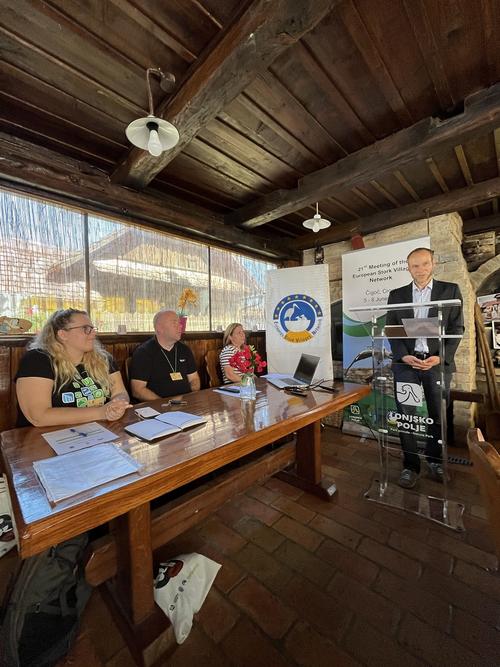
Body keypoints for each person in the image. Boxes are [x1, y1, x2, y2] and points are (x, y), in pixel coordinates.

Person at [386, 248, 464, 489]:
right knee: (406, 417)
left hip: (435, 364)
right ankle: (410, 465)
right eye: (415, 266)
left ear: (434, 263)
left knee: (437, 416)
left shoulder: (450, 291)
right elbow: (392, 329)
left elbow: (457, 328)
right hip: (406, 364)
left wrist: (441, 358)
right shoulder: (396, 294)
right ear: (408, 268)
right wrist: (404, 356)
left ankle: (435, 461)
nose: (420, 270)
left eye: (425, 264)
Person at [16, 309, 131, 428]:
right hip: (43, 438)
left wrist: (118, 404)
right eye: (86, 328)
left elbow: (120, 392)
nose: (93, 333)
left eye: (92, 328)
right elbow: (39, 417)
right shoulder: (37, 360)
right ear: (63, 334)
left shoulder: (103, 359)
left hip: (98, 433)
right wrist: (101, 412)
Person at [130, 309, 200, 401]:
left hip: (186, 403)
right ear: (159, 328)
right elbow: (138, 390)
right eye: (174, 323)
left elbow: (194, 380)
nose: (180, 326)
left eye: (179, 323)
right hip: (158, 406)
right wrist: (164, 404)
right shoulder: (144, 352)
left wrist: (189, 398)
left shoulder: (184, 350)